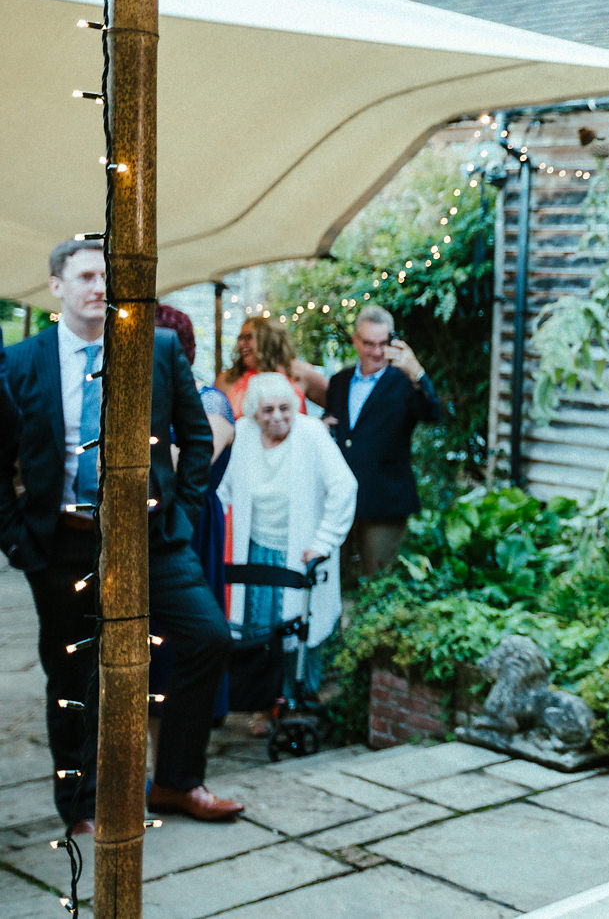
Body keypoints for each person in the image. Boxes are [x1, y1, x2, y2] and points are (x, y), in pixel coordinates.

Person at [0, 238, 242, 833]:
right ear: (57, 287)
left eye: (105, 276)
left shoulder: (156, 350)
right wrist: (14, 537)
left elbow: (198, 439)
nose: (98, 287)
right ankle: (82, 808)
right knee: (73, 674)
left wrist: (180, 514)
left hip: (152, 540)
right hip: (62, 542)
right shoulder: (23, 360)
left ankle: (177, 782)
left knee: (208, 637)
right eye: (84, 276)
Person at [217, 372, 356, 731]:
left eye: (284, 408)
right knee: (259, 632)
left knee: (299, 629)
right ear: (253, 412)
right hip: (257, 549)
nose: (277, 417)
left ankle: (295, 702)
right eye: (267, 410)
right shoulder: (244, 433)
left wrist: (324, 541)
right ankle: (262, 705)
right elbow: (223, 489)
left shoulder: (312, 434)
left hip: (301, 550)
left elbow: (344, 488)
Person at [151, 303, 236, 727]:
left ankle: (180, 756)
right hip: (149, 530)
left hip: (193, 525)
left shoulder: (211, 400)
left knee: (190, 639)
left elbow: (197, 455)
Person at [323, 305, 440, 584]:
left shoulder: (403, 382)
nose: (376, 352)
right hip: (341, 497)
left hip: (385, 500)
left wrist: (418, 373)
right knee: (333, 580)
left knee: (378, 583)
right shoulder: (339, 381)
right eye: (368, 344)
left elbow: (433, 414)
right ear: (355, 341)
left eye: (382, 344)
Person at [216, 315, 327, 417]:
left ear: (268, 340)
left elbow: (338, 404)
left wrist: (321, 426)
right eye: (240, 338)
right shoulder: (226, 379)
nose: (241, 344)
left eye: (248, 337)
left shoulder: (299, 372)